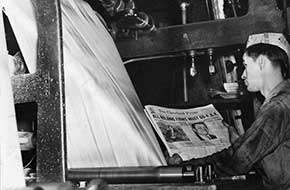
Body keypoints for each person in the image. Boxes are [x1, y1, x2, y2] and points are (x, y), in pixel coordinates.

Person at [168, 32, 290, 190]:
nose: (243, 74)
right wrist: (242, 141)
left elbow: (238, 161)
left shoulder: (277, 107)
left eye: (245, 65)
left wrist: (184, 167)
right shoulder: (282, 100)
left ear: (261, 62)